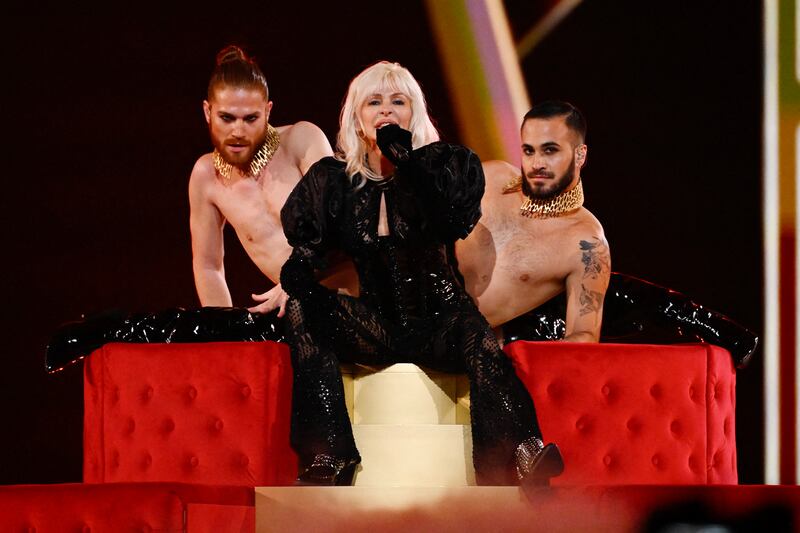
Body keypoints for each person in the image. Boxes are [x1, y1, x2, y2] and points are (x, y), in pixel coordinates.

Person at [278, 61, 563, 487]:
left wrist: (406, 160)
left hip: (442, 322)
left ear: (417, 114)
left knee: (478, 337)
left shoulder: (447, 167)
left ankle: (523, 452)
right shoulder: (334, 182)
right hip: (377, 325)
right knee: (303, 309)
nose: (387, 112)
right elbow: (308, 248)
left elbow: (452, 220)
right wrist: (299, 270)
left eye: (399, 102)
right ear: (357, 119)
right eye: (374, 102)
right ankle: (328, 456)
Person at [189, 45, 351, 316]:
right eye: (226, 118)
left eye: (250, 118)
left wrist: (297, 277)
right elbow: (208, 267)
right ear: (208, 112)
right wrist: (224, 332)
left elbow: (340, 221)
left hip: (360, 297)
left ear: (268, 111)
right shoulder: (206, 177)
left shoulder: (301, 140)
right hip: (305, 314)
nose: (238, 131)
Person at [456, 100, 611, 342]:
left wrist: (524, 364)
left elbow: (583, 337)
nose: (537, 163)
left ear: (580, 155)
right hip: (393, 307)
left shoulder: (588, 243)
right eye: (529, 150)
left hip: (455, 351)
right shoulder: (490, 177)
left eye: (550, 150)